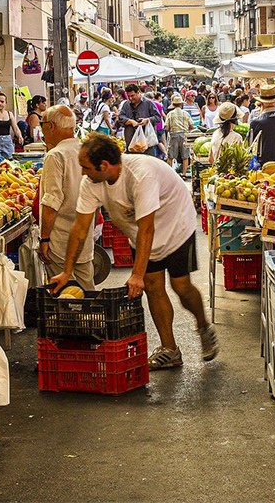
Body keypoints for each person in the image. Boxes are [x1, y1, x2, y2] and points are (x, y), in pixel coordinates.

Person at [51, 134, 217, 371]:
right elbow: (79, 228)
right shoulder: (92, 183)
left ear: (104, 165)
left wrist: (136, 274)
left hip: (175, 225)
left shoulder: (140, 174)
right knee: (153, 287)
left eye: (86, 167)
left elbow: (147, 228)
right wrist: (67, 271)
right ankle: (170, 350)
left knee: (181, 286)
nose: (83, 172)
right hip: (140, 234)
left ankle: (203, 326)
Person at [35, 105, 95, 289]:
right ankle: (94, 318)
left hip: (60, 240)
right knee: (87, 291)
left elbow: (51, 202)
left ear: (51, 126)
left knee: (65, 295)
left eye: (42, 124)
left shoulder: (55, 155)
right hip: (84, 238)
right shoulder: (85, 150)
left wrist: (44, 239)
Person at [118, 83, 161, 156]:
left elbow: (158, 117)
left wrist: (147, 120)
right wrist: (130, 121)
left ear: (138, 92)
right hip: (131, 143)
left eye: (132, 96)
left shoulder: (148, 103)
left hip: (147, 143)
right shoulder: (126, 104)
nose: (130, 98)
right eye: (129, 96)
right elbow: (120, 117)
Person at [164, 94, 193, 176]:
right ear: (181, 104)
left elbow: (166, 127)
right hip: (184, 135)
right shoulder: (186, 113)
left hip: (174, 135)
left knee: (171, 156)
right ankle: (184, 174)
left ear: (173, 104)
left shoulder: (170, 114)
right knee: (185, 156)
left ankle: (170, 175)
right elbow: (191, 126)